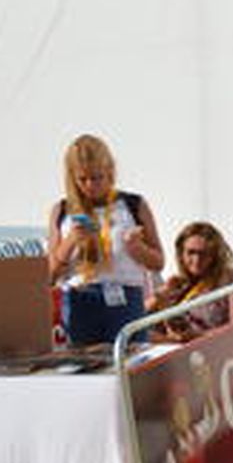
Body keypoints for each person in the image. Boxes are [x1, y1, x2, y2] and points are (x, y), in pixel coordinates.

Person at [46, 134, 165, 346]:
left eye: (97, 177)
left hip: (126, 299)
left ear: (110, 171)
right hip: (80, 301)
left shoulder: (133, 204)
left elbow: (158, 262)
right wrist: (71, 240)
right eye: (82, 179)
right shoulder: (62, 210)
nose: (90, 185)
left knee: (129, 368)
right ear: (72, 177)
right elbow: (49, 274)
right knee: (83, 373)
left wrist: (137, 249)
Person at [146, 222, 233, 343]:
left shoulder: (230, 279)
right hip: (175, 349)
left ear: (214, 255)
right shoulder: (178, 283)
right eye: (191, 253)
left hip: (212, 348)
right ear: (181, 254)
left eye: (203, 253)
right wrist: (159, 297)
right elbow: (137, 320)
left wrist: (199, 336)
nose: (197, 260)